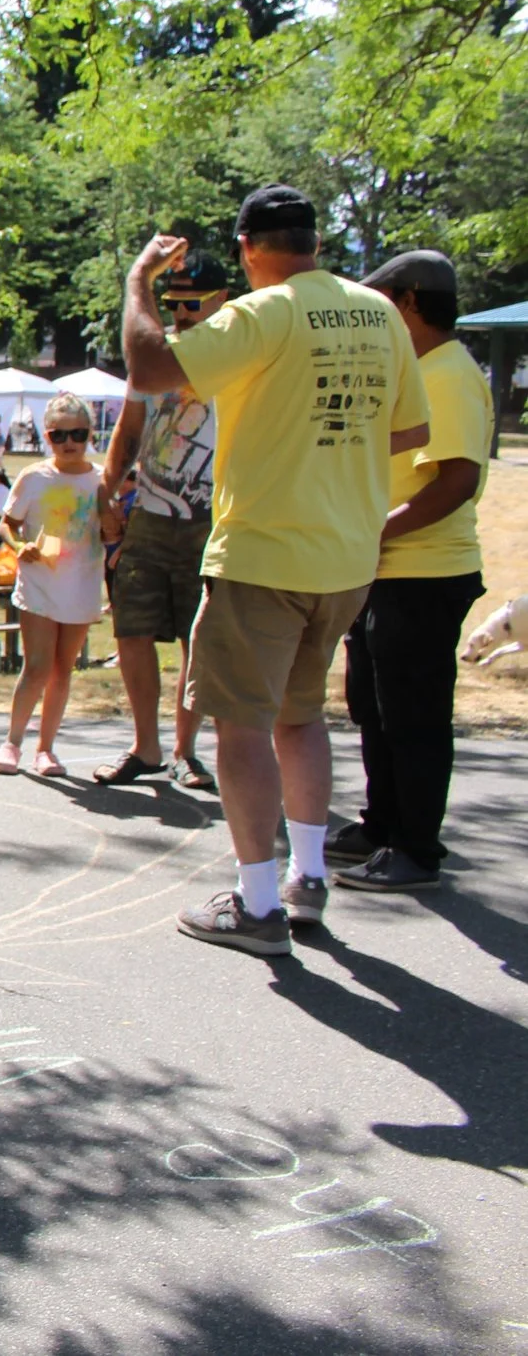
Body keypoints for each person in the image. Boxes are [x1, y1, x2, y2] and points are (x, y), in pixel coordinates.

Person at [121, 185, 428, 955]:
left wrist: (138, 285)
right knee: (300, 716)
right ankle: (309, 876)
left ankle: (258, 904)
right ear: (315, 241)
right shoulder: (380, 313)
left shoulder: (266, 311)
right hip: (346, 557)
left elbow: (152, 367)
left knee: (243, 724)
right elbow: (408, 430)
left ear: (251, 247)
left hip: (262, 554)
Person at [330, 249, 491, 892]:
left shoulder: (449, 372)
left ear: (413, 302)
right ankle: (382, 826)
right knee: (372, 706)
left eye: (385, 303)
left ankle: (416, 848)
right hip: (387, 570)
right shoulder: (422, 368)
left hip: (424, 574)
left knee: (413, 715)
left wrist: (375, 532)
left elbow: (457, 481)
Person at [92, 248, 228, 789]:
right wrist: (106, 492)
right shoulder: (157, 355)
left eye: (194, 303)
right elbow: (128, 431)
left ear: (223, 300)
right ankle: (145, 747)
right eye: (173, 303)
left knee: (200, 640)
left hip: (212, 519)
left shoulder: (239, 350)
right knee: (133, 630)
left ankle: (186, 751)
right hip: (149, 514)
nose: (182, 313)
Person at [0, 394, 117, 777]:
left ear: (90, 433)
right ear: (47, 436)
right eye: (59, 434)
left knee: (63, 668)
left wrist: (114, 522)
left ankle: (46, 749)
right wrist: (18, 546)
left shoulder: (101, 478)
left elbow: (112, 530)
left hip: (81, 584)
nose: (69, 442)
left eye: (78, 433)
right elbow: (7, 524)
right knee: (37, 666)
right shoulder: (34, 476)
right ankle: (12, 741)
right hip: (40, 583)